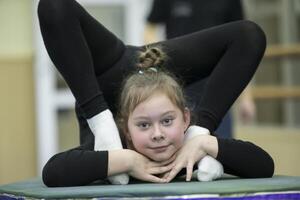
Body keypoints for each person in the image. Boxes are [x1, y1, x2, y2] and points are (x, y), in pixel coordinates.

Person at [37, 0, 274, 187]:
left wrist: (202, 140)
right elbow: (53, 172)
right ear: (126, 131)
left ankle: (190, 126)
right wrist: (125, 159)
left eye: (168, 121)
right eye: (143, 126)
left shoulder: (184, 144)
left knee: (251, 35)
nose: (158, 135)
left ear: (185, 119)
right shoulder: (116, 145)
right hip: (111, 86)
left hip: (151, 76)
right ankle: (101, 118)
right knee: (53, 5)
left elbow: (264, 165)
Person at [146, 0, 255, 138]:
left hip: (218, 87)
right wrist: (158, 63)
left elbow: (241, 46)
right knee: (176, 146)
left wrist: (246, 98)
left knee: (217, 147)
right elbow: (150, 28)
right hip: (178, 86)